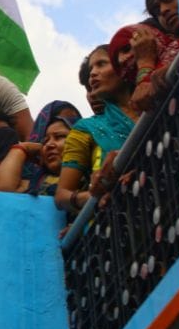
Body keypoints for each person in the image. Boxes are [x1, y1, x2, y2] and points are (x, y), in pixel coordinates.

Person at [55, 45, 140, 216]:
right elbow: (62, 195)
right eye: (91, 69)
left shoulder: (155, 104)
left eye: (101, 64)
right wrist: (92, 197)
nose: (93, 73)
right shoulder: (85, 129)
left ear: (125, 67)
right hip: (122, 222)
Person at [0, 115, 73, 196]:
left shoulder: (85, 186)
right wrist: (21, 148)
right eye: (45, 141)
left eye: (59, 136)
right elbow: (3, 194)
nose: (49, 145)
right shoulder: (35, 184)